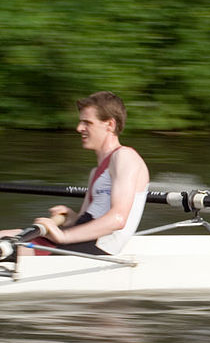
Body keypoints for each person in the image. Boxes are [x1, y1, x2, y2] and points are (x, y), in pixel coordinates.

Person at [0, 91, 150, 257]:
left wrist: (63, 235)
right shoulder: (96, 172)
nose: (79, 128)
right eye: (80, 122)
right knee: (3, 236)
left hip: (99, 248)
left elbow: (117, 219)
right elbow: (91, 218)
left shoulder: (125, 156)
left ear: (110, 125)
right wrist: (73, 217)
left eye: (87, 123)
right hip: (82, 241)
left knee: (6, 250)